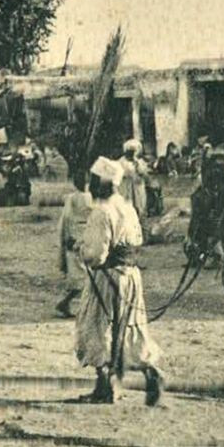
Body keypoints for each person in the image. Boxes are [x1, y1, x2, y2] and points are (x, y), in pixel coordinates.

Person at [72, 156, 164, 406]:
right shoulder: (128, 208)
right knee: (131, 326)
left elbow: (96, 254)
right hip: (130, 276)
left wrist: (80, 249)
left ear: (101, 184)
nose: (89, 186)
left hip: (107, 278)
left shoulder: (101, 212)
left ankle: (105, 388)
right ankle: (149, 372)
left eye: (93, 181)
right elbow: (135, 241)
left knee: (96, 327)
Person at [55, 170, 95, 318]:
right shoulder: (73, 199)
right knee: (81, 278)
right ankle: (67, 303)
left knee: (88, 277)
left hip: (87, 236)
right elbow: (67, 219)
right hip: (76, 238)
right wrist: (69, 238)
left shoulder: (91, 197)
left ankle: (68, 304)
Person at [116, 138, 149, 215]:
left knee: (139, 203)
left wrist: (137, 164)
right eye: (130, 150)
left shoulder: (139, 161)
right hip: (126, 186)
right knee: (127, 205)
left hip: (138, 185)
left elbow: (144, 172)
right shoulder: (121, 161)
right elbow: (120, 173)